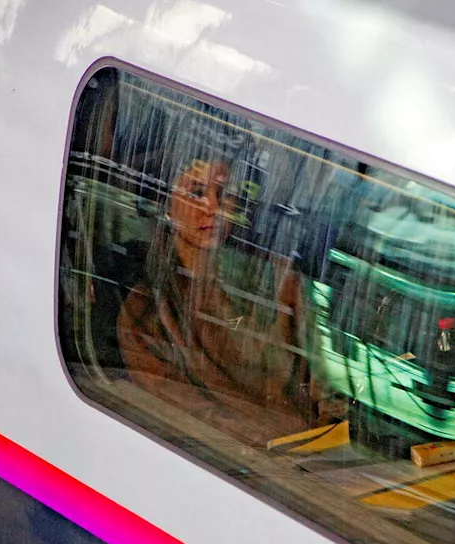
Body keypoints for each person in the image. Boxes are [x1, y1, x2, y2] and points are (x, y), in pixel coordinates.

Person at [115, 155, 319, 447]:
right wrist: (275, 444)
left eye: (223, 194)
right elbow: (191, 415)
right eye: (196, 192)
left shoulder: (279, 280)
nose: (213, 207)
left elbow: (320, 385)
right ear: (167, 204)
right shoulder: (146, 311)